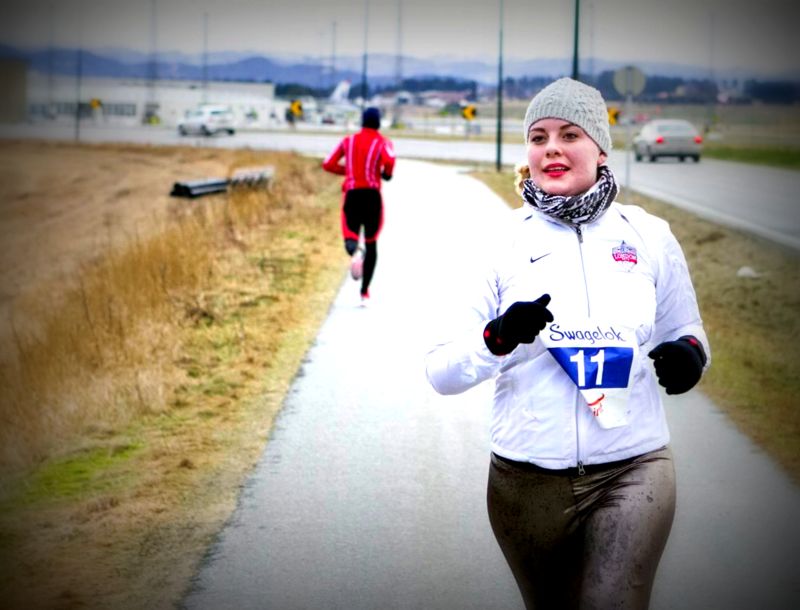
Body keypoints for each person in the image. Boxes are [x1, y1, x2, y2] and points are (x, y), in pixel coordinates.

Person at [425, 78, 710, 610]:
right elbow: (440, 372)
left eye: (569, 135)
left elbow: (687, 330)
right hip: (526, 481)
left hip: (633, 467)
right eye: (539, 137)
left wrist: (691, 355)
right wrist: (497, 338)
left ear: (601, 149)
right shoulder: (498, 242)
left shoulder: (649, 235)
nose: (551, 148)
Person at [322, 107, 396, 305]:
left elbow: (328, 163)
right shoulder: (383, 142)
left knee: (350, 237)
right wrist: (387, 174)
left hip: (353, 195)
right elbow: (390, 160)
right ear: (378, 122)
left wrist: (348, 170)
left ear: (362, 121)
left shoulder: (348, 141)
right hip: (372, 197)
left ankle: (356, 252)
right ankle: (364, 293)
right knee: (372, 242)